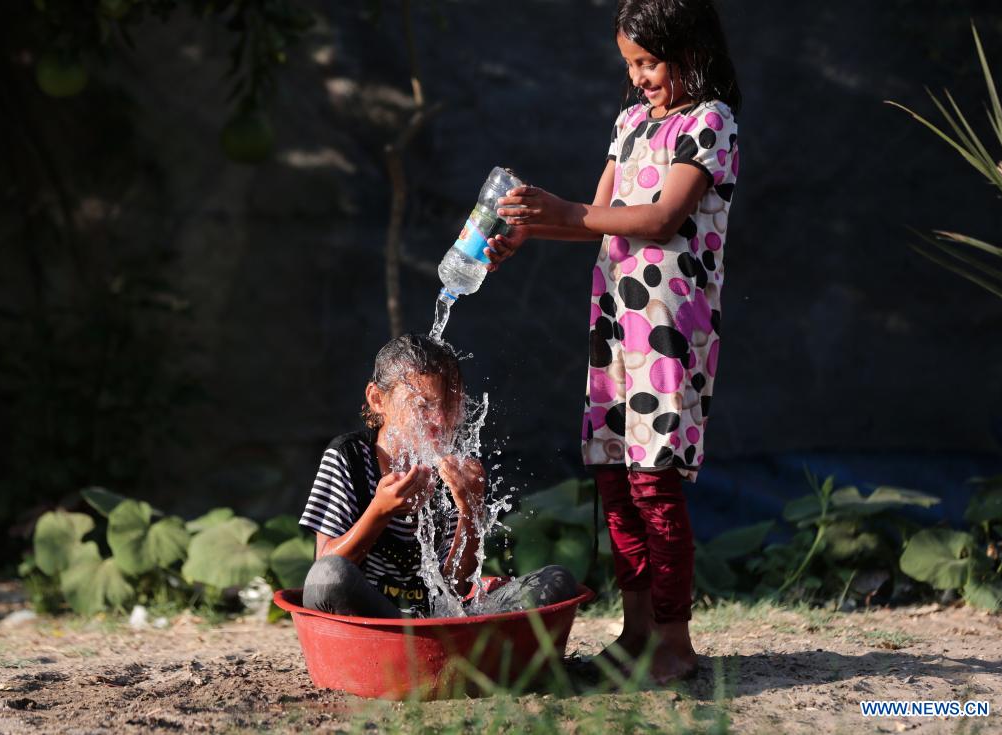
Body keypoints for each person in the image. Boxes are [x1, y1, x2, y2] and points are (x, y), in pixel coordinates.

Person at [484, 0, 741, 683]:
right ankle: (635, 633)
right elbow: (600, 219)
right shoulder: (630, 123)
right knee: (615, 477)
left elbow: (659, 217)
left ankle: (676, 640)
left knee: (654, 479)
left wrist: (566, 211)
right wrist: (531, 227)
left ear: (692, 49)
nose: (639, 78)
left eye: (650, 61)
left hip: (667, 328)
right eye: (631, 64)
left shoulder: (709, 123)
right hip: (614, 327)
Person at [298, 334, 576, 618]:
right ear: (377, 399)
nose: (440, 420)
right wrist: (379, 512)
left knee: (556, 581)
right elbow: (325, 566)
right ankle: (432, 647)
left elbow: (453, 590)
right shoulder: (350, 457)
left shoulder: (454, 469)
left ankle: (428, 645)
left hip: (432, 620)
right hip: (371, 618)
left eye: (450, 405)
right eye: (422, 405)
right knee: (329, 575)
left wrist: (471, 509)